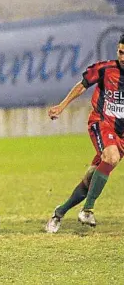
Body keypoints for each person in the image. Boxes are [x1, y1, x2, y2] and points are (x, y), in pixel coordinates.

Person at [45, 34, 124, 233]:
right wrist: (62, 107)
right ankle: (87, 210)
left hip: (121, 135)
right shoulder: (105, 69)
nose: (123, 57)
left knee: (92, 179)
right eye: (121, 52)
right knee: (111, 157)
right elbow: (82, 86)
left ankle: (59, 213)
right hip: (102, 123)